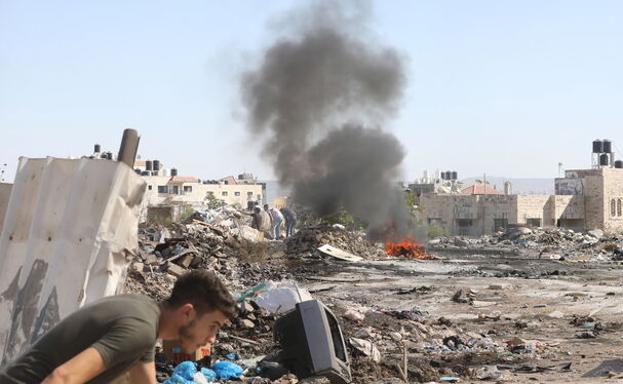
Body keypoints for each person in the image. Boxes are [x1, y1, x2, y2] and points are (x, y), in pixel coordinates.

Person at [0, 270, 236, 384]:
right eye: (213, 326)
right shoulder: (141, 330)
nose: (212, 339)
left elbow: (145, 382)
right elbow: (61, 379)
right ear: (188, 313)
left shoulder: (147, 315)